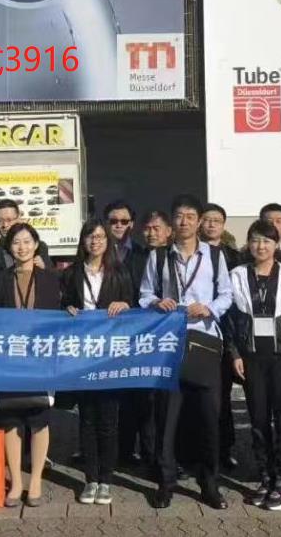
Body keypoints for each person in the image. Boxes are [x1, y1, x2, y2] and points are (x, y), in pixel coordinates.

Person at [139, 194, 233, 510]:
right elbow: (145, 293)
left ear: (200, 221)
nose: (184, 222)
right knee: (167, 417)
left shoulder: (215, 256)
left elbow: (227, 294)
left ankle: (209, 483)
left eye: (190, 216)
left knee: (208, 416)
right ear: (172, 221)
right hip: (169, 343)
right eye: (179, 216)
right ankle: (166, 483)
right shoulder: (158, 256)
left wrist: (209, 308)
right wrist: (156, 302)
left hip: (204, 340)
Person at [225, 220, 281, 511]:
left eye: (267, 241)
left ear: (277, 245)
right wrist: (234, 354)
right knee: (259, 421)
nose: (260, 246)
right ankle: (266, 476)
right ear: (248, 243)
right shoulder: (237, 275)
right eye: (255, 240)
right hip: (252, 357)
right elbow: (231, 321)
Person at [0, 223, 62, 508]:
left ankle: (37, 480)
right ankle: (16, 482)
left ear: (36, 244)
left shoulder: (51, 279)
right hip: (9, 357)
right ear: (9, 248)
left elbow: (61, 313)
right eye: (16, 242)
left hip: (40, 357)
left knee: (39, 417)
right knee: (11, 419)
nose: (22, 247)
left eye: (27, 241)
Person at [62, 218, 135, 506]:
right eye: (90, 236)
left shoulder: (120, 272)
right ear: (83, 241)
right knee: (87, 418)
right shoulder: (71, 273)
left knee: (108, 420)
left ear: (108, 241)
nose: (95, 241)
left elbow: (133, 306)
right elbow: (63, 304)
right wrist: (67, 308)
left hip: (110, 354)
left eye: (101, 237)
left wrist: (125, 305)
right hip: (82, 354)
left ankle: (106, 480)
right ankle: (90, 479)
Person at [105, 200, 154, 468]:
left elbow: (148, 293)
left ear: (132, 224)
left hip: (137, 333)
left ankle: (147, 453)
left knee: (140, 396)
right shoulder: (97, 252)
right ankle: (119, 453)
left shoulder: (143, 255)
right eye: (113, 221)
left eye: (124, 221)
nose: (118, 226)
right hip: (105, 333)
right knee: (110, 395)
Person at [201, 202, 242, 470]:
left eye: (217, 220)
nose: (211, 224)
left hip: (227, 331)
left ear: (223, 225)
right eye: (207, 219)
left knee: (223, 395)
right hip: (199, 330)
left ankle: (224, 449)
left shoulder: (234, 257)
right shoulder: (191, 253)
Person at [0, 198, 51, 269]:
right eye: (0, 221)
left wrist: (44, 267)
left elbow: (52, 273)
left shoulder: (39, 247)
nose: (5, 225)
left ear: (18, 218)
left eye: (9, 220)